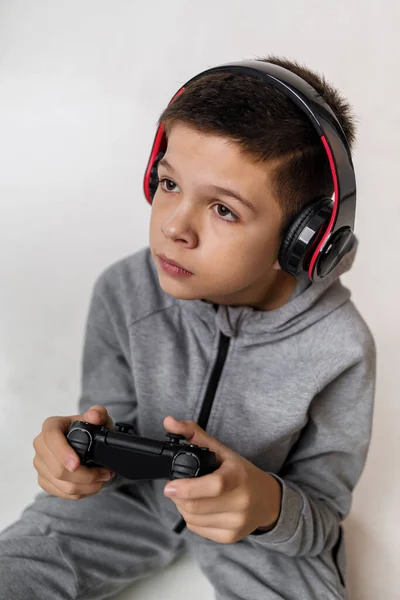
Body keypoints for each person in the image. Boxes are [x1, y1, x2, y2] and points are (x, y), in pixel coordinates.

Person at [0, 55, 375, 600]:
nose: (174, 226)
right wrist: (78, 459)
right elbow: (111, 425)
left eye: (224, 210)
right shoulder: (124, 292)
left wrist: (266, 504)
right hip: (129, 502)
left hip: (254, 531)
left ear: (304, 241)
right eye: (170, 183)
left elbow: (320, 512)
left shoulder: (340, 349)